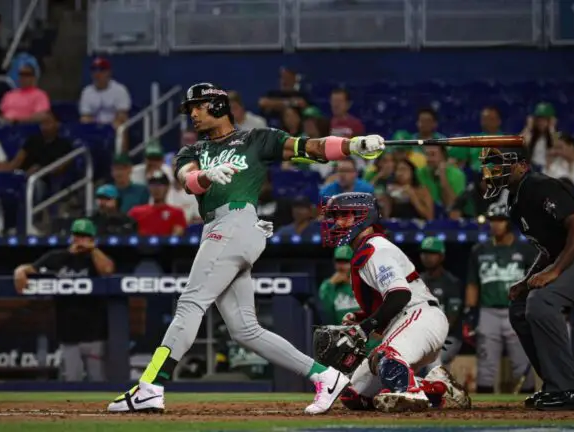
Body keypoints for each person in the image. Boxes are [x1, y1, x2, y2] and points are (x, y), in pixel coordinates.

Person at [107, 82, 384, 415]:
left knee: (191, 303)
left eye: (198, 106)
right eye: (190, 109)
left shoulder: (256, 139)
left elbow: (310, 147)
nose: (192, 114)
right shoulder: (192, 151)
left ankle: (151, 385)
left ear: (219, 106)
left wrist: (352, 145)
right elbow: (188, 180)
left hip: (237, 222)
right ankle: (325, 376)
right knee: (245, 330)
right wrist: (208, 175)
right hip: (218, 226)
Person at [479, 145, 574, 410]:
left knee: (541, 301)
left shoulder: (538, 185)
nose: (493, 170)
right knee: (521, 306)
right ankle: (555, 386)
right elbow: (548, 250)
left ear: (522, 165)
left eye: (500, 163)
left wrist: (555, 272)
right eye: (491, 164)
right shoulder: (515, 202)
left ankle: (570, 390)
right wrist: (527, 280)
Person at [319, 192, 470, 413]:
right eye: (335, 216)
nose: (336, 222)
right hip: (404, 322)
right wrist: (362, 318)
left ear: (363, 217)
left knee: (386, 357)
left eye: (343, 215)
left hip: (420, 316)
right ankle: (437, 388)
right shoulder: (365, 251)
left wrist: (364, 328)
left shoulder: (376, 248)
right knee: (354, 396)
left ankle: (410, 391)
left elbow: (400, 296)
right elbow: (389, 300)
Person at [14, 219, 114, 382]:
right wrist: (19, 271)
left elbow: (108, 270)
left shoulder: (96, 259)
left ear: (92, 239)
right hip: (68, 332)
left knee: (98, 380)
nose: (80, 240)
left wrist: (93, 249)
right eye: (77, 236)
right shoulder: (57, 258)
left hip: (95, 332)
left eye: (85, 236)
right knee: (71, 381)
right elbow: (30, 268)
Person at [464, 201, 536, 394]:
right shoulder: (479, 249)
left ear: (509, 222)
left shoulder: (525, 249)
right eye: (492, 220)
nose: (495, 224)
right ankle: (484, 411)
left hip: (516, 309)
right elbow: (473, 283)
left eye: (500, 220)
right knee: (486, 366)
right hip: (488, 311)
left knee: (522, 363)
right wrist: (470, 312)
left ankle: (528, 405)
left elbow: (534, 282)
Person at [418, 237, 463, 368]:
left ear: (441, 256)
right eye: (424, 253)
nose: (427, 257)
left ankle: (440, 386)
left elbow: (452, 318)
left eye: (432, 253)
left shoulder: (451, 283)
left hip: (448, 337)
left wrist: (433, 339)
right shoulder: (417, 281)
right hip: (421, 335)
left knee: (433, 362)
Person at [127, 171, 187, 236]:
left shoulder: (177, 213)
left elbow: (177, 236)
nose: (156, 188)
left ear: (167, 187)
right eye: (153, 185)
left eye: (160, 185)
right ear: (149, 188)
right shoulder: (136, 212)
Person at [79, 57, 131, 128]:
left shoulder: (120, 90)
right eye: (94, 70)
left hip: (113, 126)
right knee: (84, 122)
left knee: (121, 124)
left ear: (108, 72)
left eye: (101, 70)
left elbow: (122, 115)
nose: (97, 74)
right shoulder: (87, 91)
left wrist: (108, 127)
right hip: (94, 127)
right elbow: (85, 116)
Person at [318, 246, 359, 325]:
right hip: (340, 333)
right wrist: (331, 284)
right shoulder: (328, 286)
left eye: (346, 262)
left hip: (363, 333)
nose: (341, 266)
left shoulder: (363, 282)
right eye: (339, 262)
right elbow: (326, 313)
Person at [416, 145, 465, 209]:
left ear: (443, 156)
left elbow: (454, 206)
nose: (428, 158)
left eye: (433, 154)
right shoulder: (420, 173)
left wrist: (443, 178)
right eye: (427, 154)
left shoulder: (457, 175)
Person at [522, 102, 556, 169]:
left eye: (544, 120)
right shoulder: (531, 135)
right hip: (533, 169)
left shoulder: (554, 135)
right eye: (538, 120)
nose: (541, 123)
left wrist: (552, 127)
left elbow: (556, 146)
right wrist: (528, 127)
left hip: (549, 170)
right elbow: (519, 143)